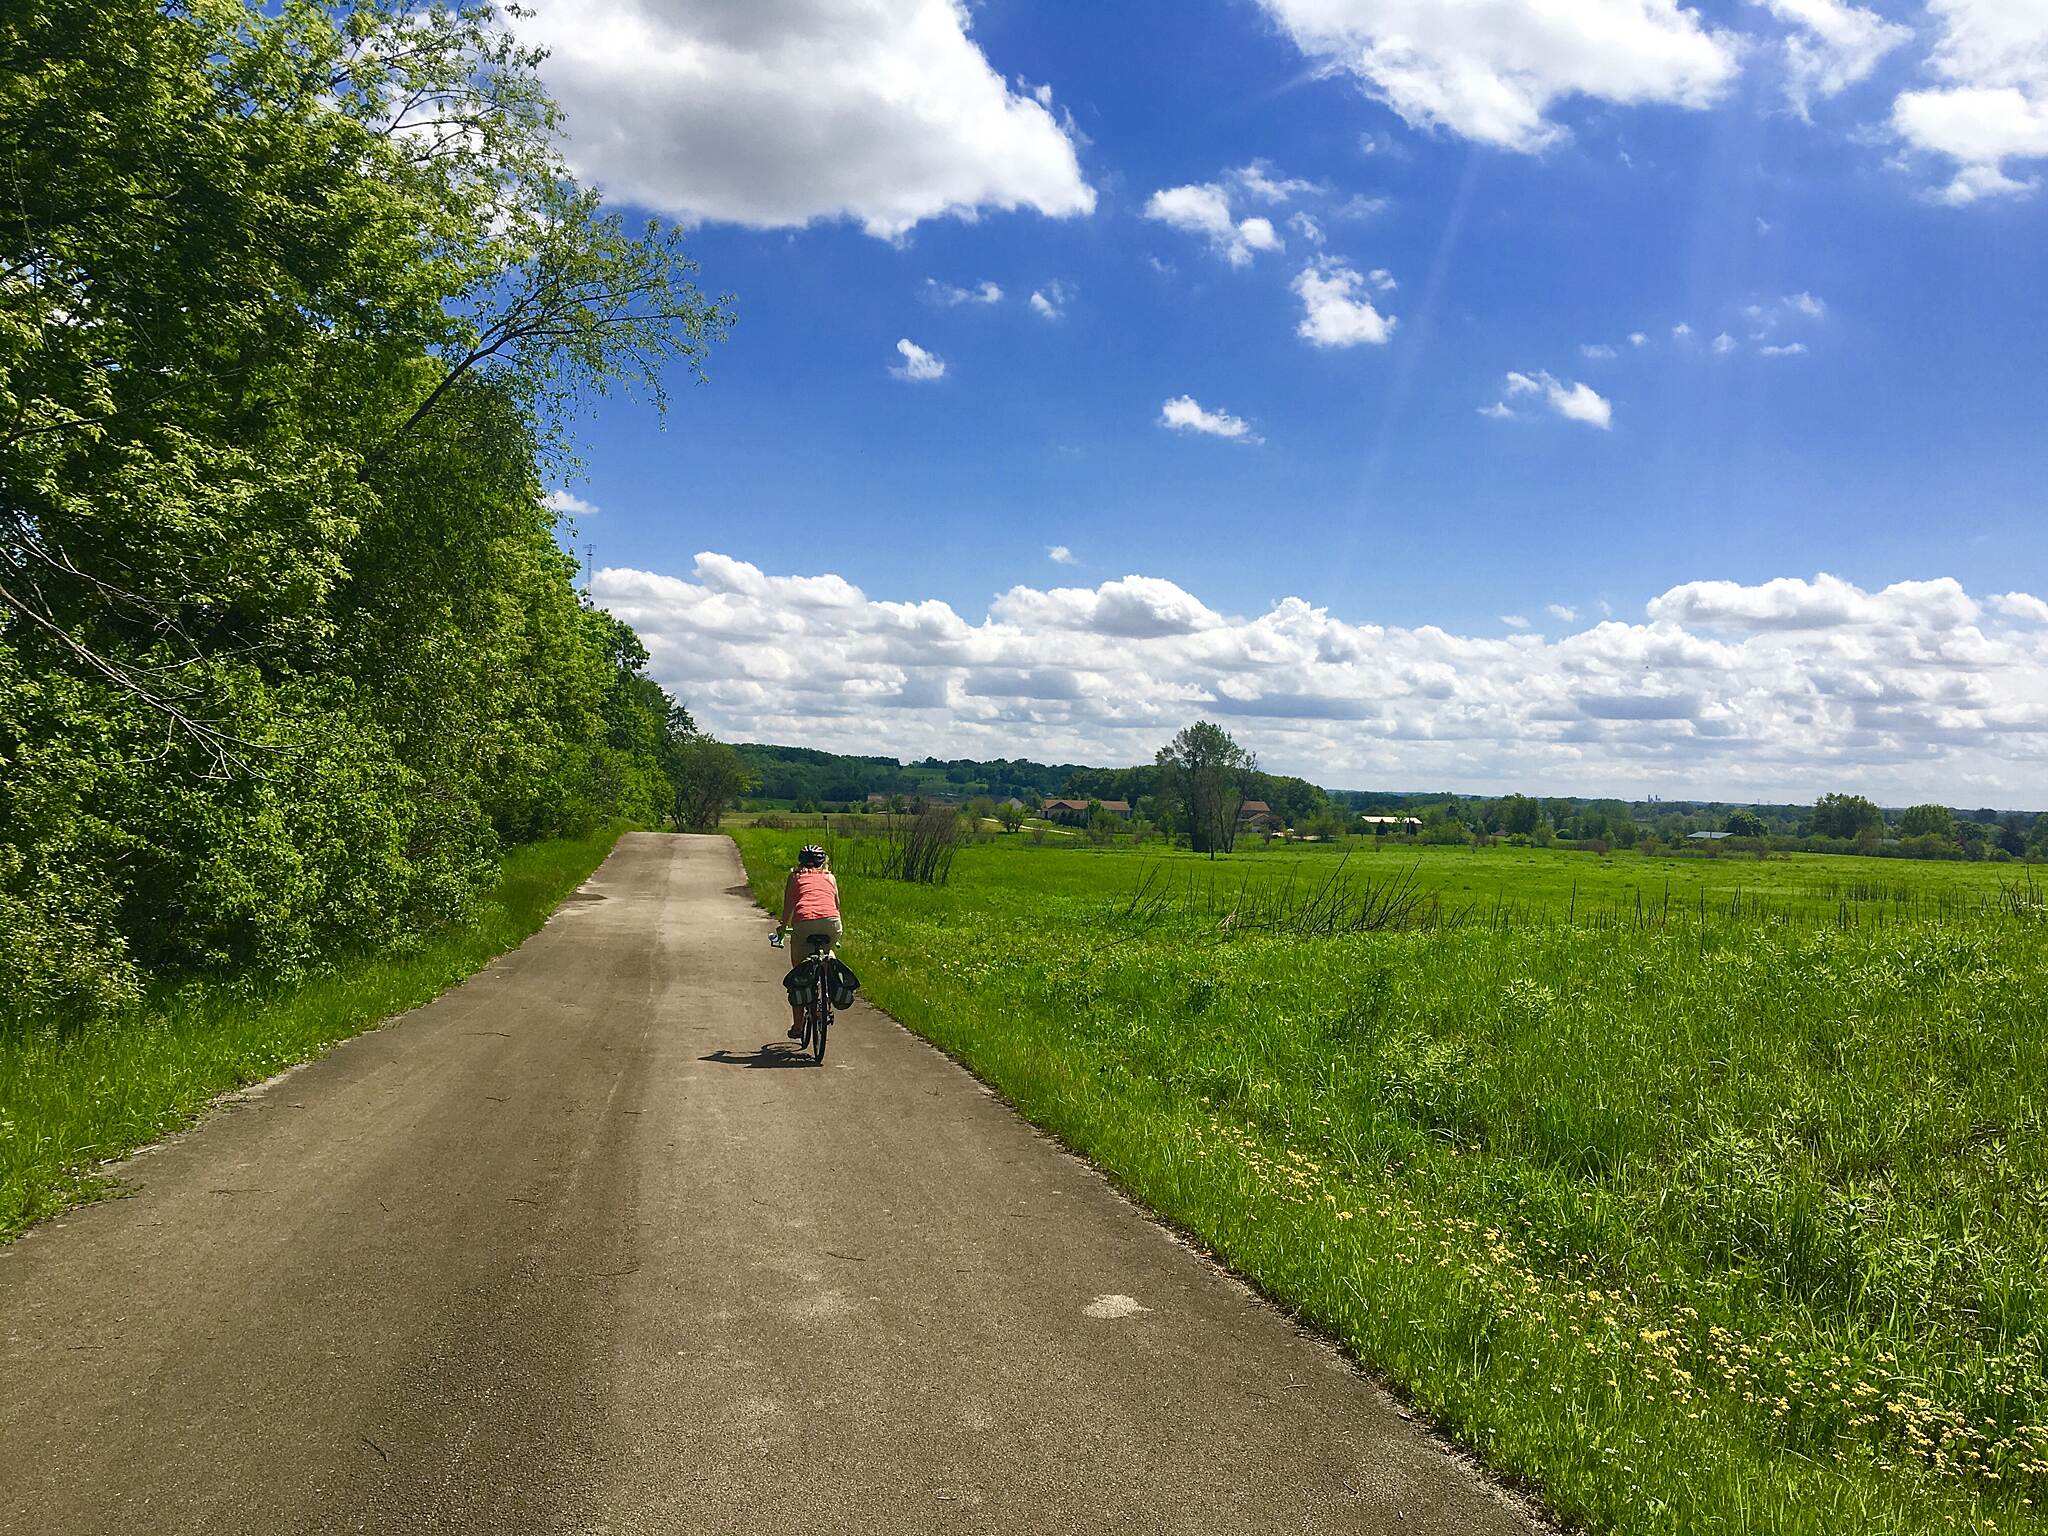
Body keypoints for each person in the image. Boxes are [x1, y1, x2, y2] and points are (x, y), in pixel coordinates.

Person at [777, 844, 842, 1039]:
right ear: (824, 861)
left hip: (804, 923)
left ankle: (798, 1026)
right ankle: (828, 985)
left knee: (799, 974)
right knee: (828, 952)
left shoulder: (795, 877)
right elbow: (836, 905)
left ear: (800, 860)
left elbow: (789, 906)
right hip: (832, 923)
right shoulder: (830, 877)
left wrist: (782, 928)